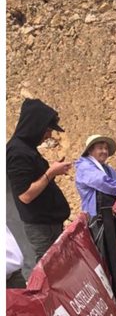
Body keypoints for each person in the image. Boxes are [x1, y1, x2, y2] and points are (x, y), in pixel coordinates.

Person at [6, 98, 71, 266]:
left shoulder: (27, 149)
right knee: (48, 271)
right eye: (47, 130)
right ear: (35, 126)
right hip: (41, 227)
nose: (49, 135)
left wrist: (53, 172)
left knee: (59, 268)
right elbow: (25, 196)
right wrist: (50, 173)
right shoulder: (17, 152)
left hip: (49, 223)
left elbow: (35, 181)